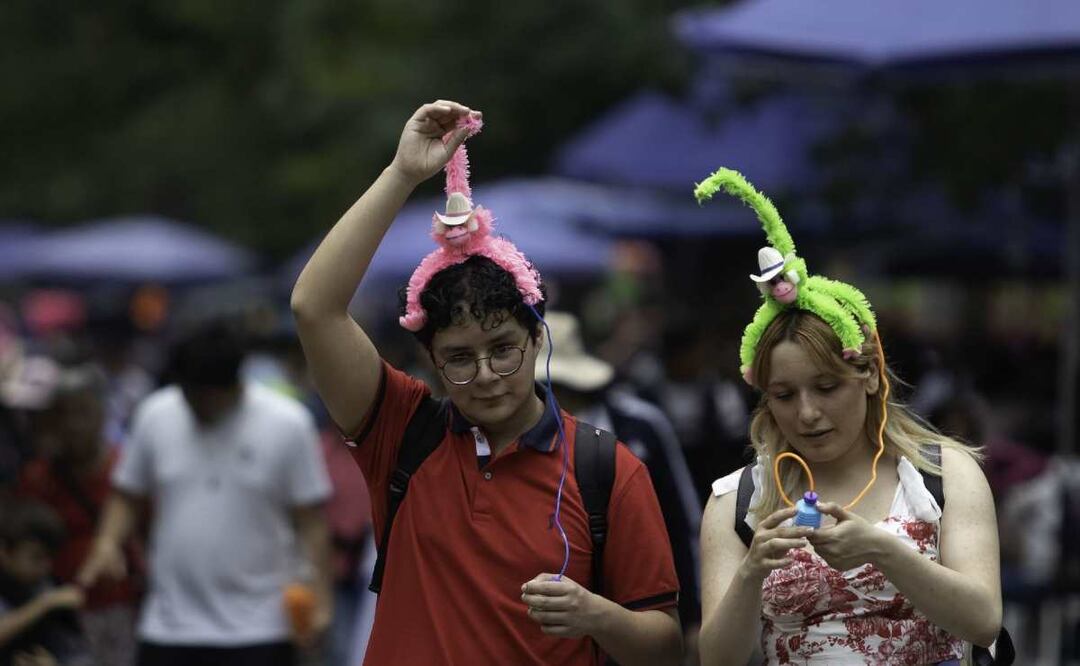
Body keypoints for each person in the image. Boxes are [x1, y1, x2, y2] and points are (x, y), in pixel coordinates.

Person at [291, 100, 682, 665]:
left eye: (503, 350)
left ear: (537, 339)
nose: (485, 377)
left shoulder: (608, 470)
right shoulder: (402, 432)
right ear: (429, 360)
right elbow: (314, 307)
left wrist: (597, 615)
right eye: (459, 359)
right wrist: (402, 173)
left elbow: (664, 647)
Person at [695, 168, 1003, 665]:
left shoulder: (941, 474)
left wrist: (883, 550)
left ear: (871, 375)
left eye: (826, 386)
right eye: (783, 395)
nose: (808, 413)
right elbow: (718, 659)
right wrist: (751, 573)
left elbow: (984, 618)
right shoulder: (738, 502)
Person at [77, 320, 333, 666]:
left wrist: (321, 595)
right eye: (189, 392)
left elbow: (311, 522)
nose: (197, 404)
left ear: (234, 382)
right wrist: (106, 543)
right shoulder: (155, 414)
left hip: (260, 627)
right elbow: (127, 494)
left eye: (207, 395)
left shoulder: (288, 423)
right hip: (168, 626)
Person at [532, 311, 703, 646]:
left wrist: (695, 618)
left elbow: (683, 522)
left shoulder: (638, 426)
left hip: (641, 614)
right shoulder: (516, 437)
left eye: (560, 385)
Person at [18, 364, 141, 666]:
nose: (73, 425)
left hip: (124, 609)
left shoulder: (128, 470)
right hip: (60, 613)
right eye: (64, 414)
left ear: (101, 415)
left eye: (82, 413)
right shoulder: (37, 478)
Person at [0, 499, 92, 666]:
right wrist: (43, 604)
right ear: (5, 551)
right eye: (36, 557)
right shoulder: (49, 599)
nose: (45, 567)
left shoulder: (48, 588)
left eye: (49, 558)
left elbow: (79, 653)